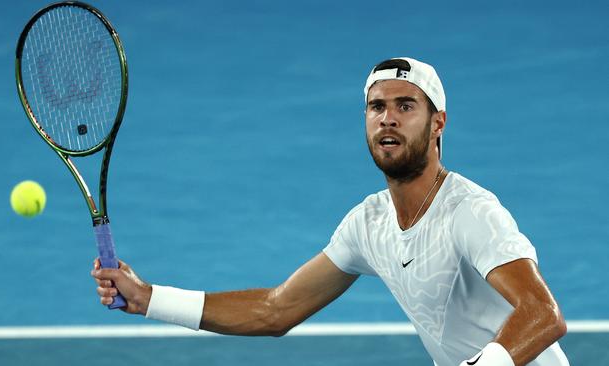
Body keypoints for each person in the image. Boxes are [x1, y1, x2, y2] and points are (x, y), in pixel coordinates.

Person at [92, 57, 569, 366]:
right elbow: (274, 310)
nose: (388, 117)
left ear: (437, 123)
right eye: (376, 107)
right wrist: (148, 298)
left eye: (406, 106)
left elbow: (543, 314)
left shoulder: (472, 212)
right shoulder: (368, 224)